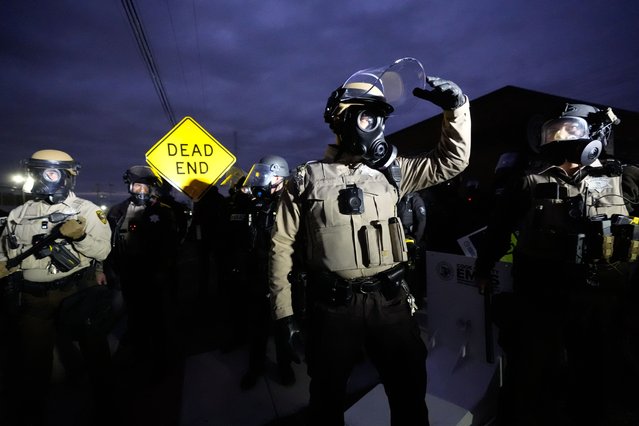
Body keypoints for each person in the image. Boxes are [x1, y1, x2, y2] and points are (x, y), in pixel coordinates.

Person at [269, 58, 471, 426]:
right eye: (365, 116)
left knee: (409, 392)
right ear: (339, 118)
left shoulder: (393, 172)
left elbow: (452, 161)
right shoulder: (306, 179)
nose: (374, 126)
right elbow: (280, 248)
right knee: (327, 398)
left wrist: (456, 109)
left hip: (390, 302)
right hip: (333, 309)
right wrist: (284, 314)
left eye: (379, 117)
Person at [475, 103, 638, 425]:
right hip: (542, 295)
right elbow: (499, 228)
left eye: (570, 130)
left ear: (593, 135)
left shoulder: (624, 177)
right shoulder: (528, 182)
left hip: (602, 297)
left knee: (600, 371)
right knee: (532, 373)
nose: (561, 138)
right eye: (556, 131)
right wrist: (483, 268)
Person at [0, 149, 114, 426]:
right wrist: (4, 265)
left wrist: (82, 235)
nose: (45, 179)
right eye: (40, 172)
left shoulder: (86, 210)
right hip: (33, 299)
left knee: (94, 351)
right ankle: (33, 411)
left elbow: (103, 252)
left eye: (52, 172)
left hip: (76, 293)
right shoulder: (20, 212)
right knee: (33, 360)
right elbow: (6, 249)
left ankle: (107, 405)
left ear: (67, 177)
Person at [103, 165, 179, 378]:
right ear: (130, 186)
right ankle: (140, 356)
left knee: (158, 319)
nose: (141, 190)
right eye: (137, 185)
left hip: (155, 276)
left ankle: (161, 361)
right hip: (128, 275)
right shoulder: (118, 211)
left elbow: (171, 244)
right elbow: (109, 244)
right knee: (135, 319)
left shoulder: (162, 211)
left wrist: (164, 271)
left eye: (145, 186)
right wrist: (111, 271)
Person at [239, 155, 297, 390]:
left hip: (283, 275)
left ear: (281, 178)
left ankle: (285, 366)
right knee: (257, 326)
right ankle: (256, 367)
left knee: (283, 323)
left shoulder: (289, 204)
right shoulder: (254, 202)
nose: (264, 180)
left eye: (270, 176)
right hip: (256, 272)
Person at [397, 191, 427, 308]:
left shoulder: (415, 200)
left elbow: (421, 221)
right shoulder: (400, 198)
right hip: (400, 241)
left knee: (414, 274)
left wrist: (416, 240)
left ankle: (417, 299)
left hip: (412, 243)